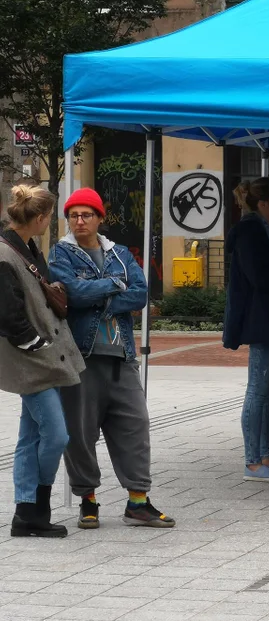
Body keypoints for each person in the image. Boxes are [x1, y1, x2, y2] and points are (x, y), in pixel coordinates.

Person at [49, 188, 175, 528]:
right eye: (73, 215)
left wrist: (101, 293)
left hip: (122, 357)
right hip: (81, 358)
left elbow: (140, 292)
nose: (79, 220)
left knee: (135, 427)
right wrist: (113, 286)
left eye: (86, 214)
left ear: (100, 218)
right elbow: (72, 293)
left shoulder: (119, 253)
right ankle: (87, 500)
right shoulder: (61, 253)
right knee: (80, 432)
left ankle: (138, 502)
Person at [0, 184, 84, 538]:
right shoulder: (6, 256)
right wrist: (37, 345)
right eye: (50, 216)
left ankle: (25, 514)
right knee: (56, 435)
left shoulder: (28, 248)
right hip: (33, 360)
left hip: (39, 356)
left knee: (29, 436)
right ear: (38, 218)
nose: (51, 222)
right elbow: (9, 315)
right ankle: (38, 506)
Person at [224, 178, 269, 483]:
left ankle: (265, 453)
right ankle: (252, 461)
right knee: (257, 389)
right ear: (263, 204)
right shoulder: (250, 231)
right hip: (261, 318)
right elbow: (260, 276)